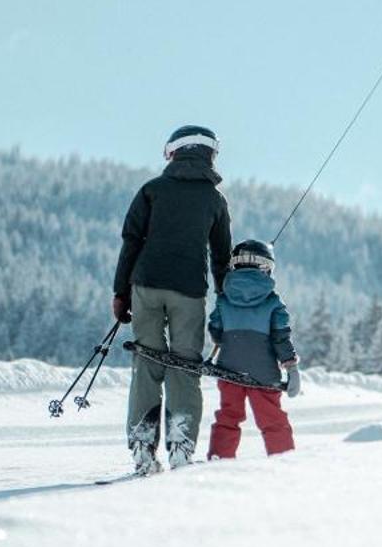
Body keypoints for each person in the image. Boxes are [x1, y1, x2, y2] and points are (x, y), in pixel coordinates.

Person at [113, 124, 232, 474]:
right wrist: (225, 303)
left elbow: (131, 241)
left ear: (173, 152)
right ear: (209, 154)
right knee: (184, 366)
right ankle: (181, 446)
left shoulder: (152, 190)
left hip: (145, 285)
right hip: (189, 293)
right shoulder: (214, 200)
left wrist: (121, 293)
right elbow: (222, 257)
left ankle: (142, 448)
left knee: (147, 364)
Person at [206, 239, 302, 459]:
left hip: (229, 369)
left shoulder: (224, 299)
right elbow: (281, 339)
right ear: (267, 267)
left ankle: (219, 459)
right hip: (264, 374)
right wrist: (292, 368)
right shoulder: (273, 302)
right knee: (272, 420)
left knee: (228, 417)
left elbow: (215, 330)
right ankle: (283, 458)